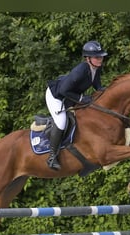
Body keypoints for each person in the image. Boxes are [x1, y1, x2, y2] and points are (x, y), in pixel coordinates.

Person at [45, 40, 108, 170]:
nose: (100, 59)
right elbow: (63, 90)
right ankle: (52, 156)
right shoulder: (80, 70)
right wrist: (81, 98)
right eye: (97, 57)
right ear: (88, 58)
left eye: (101, 56)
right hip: (56, 96)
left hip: (69, 95)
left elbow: (97, 86)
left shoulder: (96, 67)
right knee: (62, 121)